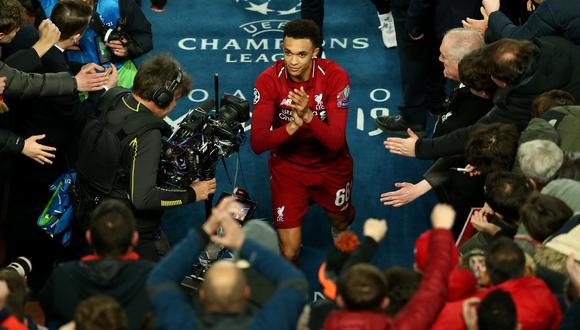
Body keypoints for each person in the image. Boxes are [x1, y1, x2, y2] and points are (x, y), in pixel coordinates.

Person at [74, 54, 216, 261]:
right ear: (162, 98)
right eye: (175, 100)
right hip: (126, 228)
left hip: (88, 212)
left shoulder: (113, 96)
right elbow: (144, 198)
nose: (175, 106)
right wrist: (192, 193)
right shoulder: (147, 134)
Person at [250, 19, 354, 262]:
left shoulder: (335, 77)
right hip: (289, 167)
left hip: (331, 165)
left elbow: (335, 141)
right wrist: (294, 124)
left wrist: (308, 116)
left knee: (341, 218)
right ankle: (292, 293)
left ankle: (340, 226)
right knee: (289, 251)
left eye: (301, 54)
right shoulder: (267, 80)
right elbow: (258, 143)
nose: (293, 61)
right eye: (287, 52)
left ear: (315, 53)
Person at [146, 196, 309, 330]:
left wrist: (205, 231)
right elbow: (295, 282)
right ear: (246, 294)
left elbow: (160, 278)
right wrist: (242, 243)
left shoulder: (180, 323)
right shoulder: (268, 325)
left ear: (202, 295)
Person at [323, 204, 457, 329]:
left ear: (339, 300)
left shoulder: (320, 320)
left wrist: (370, 241)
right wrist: (441, 230)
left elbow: (345, 277)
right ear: (385, 302)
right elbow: (433, 289)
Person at [39, 199, 154, 330]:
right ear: (135, 238)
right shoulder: (152, 278)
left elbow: (47, 308)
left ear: (89, 237)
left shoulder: (62, 276)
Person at [39, 0, 153, 87]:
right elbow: (40, 51)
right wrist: (57, 44)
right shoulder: (47, 10)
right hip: (77, 79)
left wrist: (129, 48)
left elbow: (144, 35)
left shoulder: (118, 3)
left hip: (121, 73)